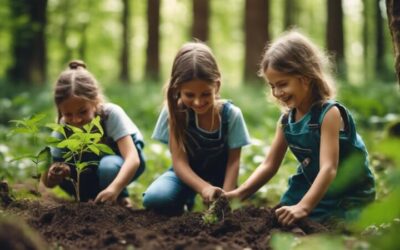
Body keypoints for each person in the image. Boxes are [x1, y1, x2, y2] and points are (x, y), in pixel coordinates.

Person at [225, 31, 375, 225]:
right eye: (272, 86)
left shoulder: (329, 113)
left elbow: (329, 168)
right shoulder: (287, 120)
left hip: (346, 191)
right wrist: (239, 194)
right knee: (281, 216)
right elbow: (269, 165)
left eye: (283, 84)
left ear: (306, 77)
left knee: (334, 223)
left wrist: (303, 207)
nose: (277, 92)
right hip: (312, 185)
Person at [142, 42, 251, 213]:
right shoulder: (174, 113)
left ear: (217, 86)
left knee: (228, 208)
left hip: (221, 177)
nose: (198, 102)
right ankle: (184, 202)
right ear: (178, 89)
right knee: (156, 199)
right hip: (184, 174)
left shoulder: (231, 116)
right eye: (190, 95)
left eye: (206, 94)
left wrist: (225, 199)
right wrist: (203, 188)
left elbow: (233, 162)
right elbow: (179, 163)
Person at [41, 60, 145, 207]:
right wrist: (52, 175)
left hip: (122, 164)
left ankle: (119, 195)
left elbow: (133, 159)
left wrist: (114, 189)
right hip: (90, 173)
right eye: (68, 114)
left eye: (83, 112)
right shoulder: (63, 128)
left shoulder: (110, 115)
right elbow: (47, 183)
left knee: (108, 166)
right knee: (72, 169)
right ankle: (94, 200)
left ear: (95, 101)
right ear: (60, 110)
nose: (76, 120)